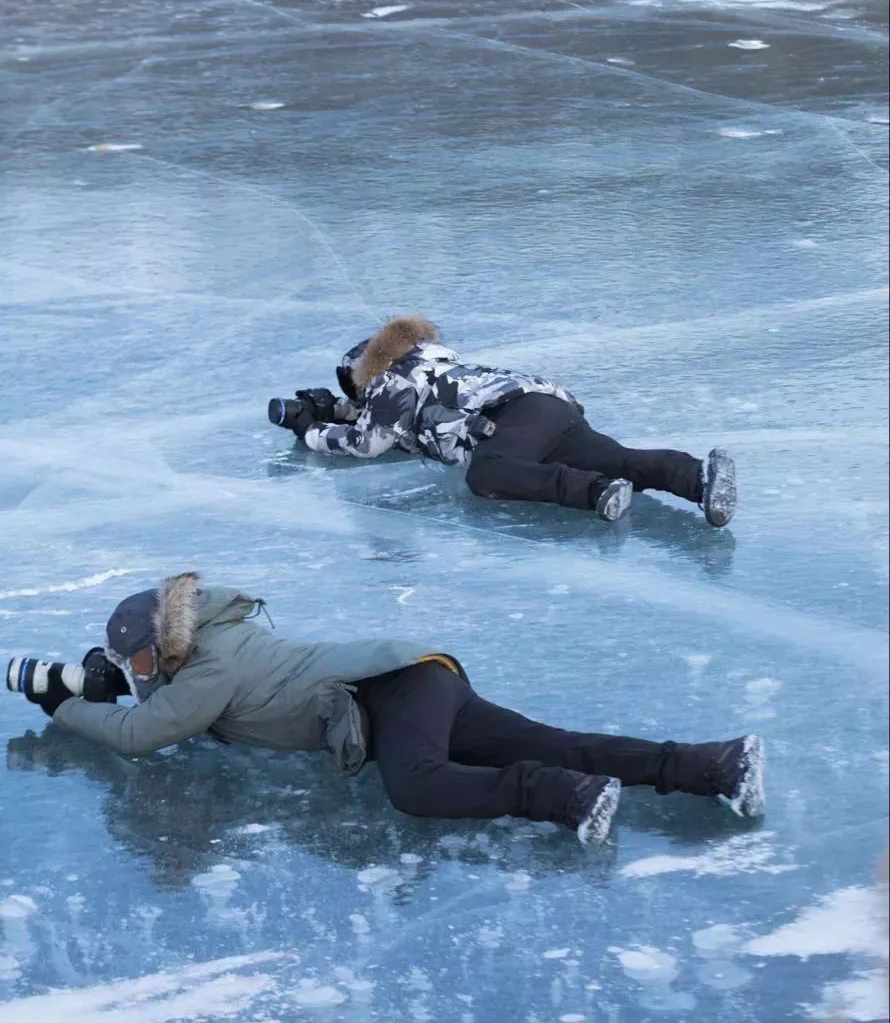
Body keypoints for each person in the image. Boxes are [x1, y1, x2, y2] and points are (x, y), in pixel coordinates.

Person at [27, 572, 765, 845]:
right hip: (417, 674)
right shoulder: (219, 638)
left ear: (166, 644)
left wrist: (63, 706)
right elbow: (163, 704)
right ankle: (714, 766)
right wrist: (117, 676)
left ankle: (566, 797)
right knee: (555, 739)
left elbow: (141, 734)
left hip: (392, 692)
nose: (142, 676)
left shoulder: (209, 669)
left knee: (417, 787)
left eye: (143, 662)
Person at [289, 315, 736, 525]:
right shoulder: (430, 366)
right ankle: (697, 476)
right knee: (618, 458)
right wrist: (343, 413)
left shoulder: (391, 377)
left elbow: (368, 442)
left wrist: (309, 429)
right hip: (548, 407)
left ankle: (596, 491)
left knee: (488, 473)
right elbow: (407, 427)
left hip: (510, 417)